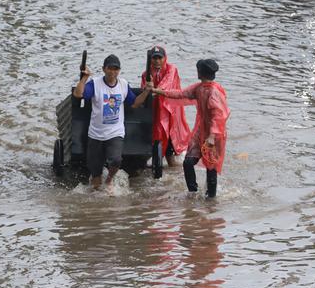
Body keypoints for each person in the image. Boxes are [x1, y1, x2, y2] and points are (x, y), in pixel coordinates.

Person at [71, 54, 152, 191]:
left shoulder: (123, 84)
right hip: (96, 134)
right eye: (110, 68)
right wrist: (85, 78)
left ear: (119, 71)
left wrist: (146, 92)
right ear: (104, 69)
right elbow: (78, 94)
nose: (113, 72)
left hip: (115, 133)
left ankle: (109, 180)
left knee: (116, 160)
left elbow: (134, 103)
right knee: (95, 176)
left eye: (116, 69)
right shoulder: (95, 84)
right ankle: (97, 194)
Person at [153, 59, 230, 198]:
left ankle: (210, 198)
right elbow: (181, 94)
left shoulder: (214, 92)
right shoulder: (199, 88)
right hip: (201, 131)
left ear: (201, 72)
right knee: (188, 162)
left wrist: (212, 136)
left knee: (211, 167)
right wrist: (159, 91)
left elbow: (219, 116)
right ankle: (193, 192)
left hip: (215, 134)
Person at [139, 45, 190, 168]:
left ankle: (175, 171)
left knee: (170, 149)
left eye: (159, 58)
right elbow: (143, 93)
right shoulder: (146, 73)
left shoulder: (171, 69)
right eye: (154, 58)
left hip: (171, 113)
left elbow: (166, 85)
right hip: (155, 113)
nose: (157, 61)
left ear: (164, 58)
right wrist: (147, 87)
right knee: (155, 144)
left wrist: (153, 89)